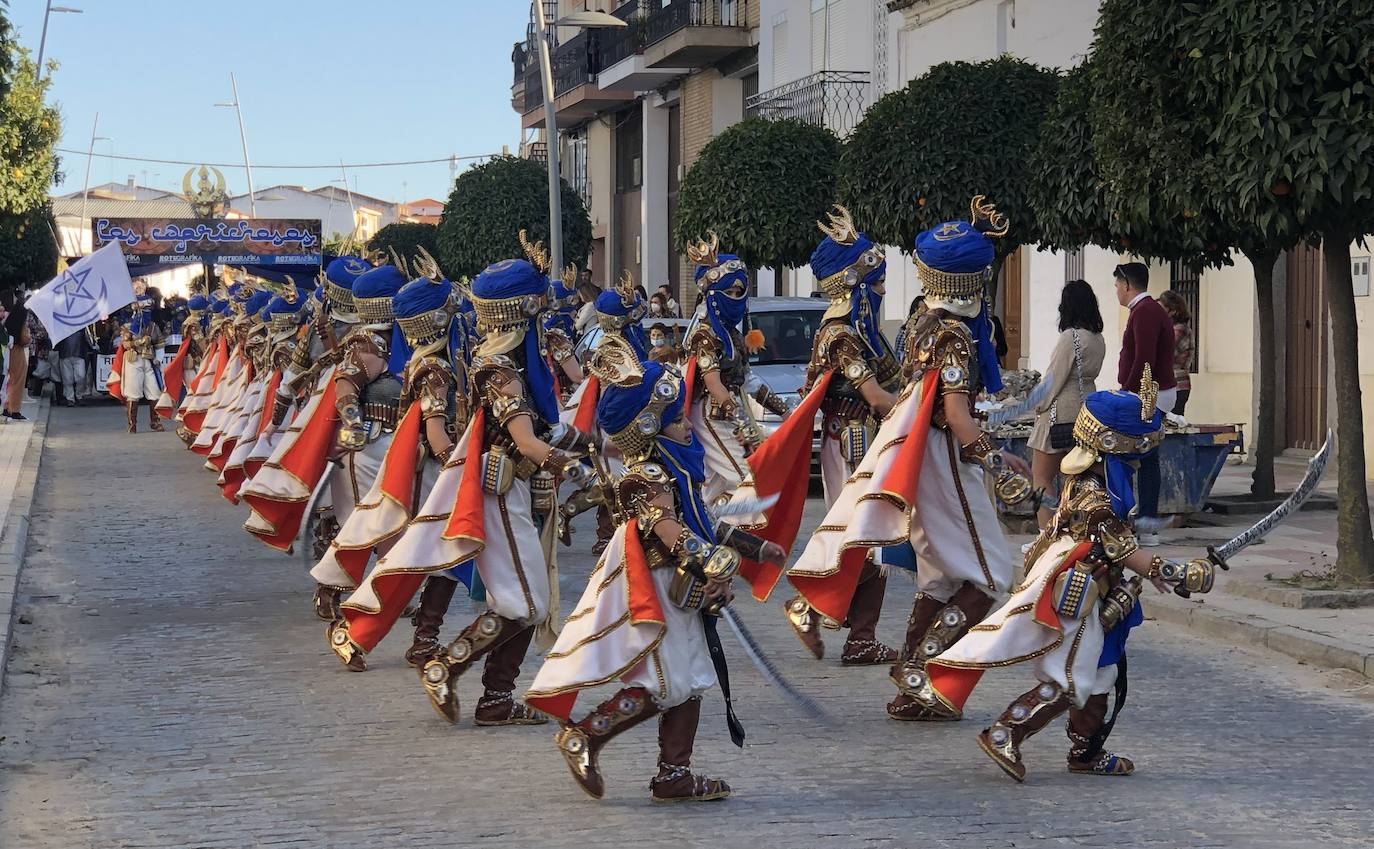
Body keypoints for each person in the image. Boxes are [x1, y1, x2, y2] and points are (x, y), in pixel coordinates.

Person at [782, 197, 1033, 718]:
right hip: (935, 456)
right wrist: (999, 467)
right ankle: (919, 668)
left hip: (913, 454)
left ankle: (910, 691)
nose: (875, 290)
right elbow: (956, 416)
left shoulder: (921, 320)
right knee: (991, 577)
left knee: (938, 577)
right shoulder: (951, 334)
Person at [915, 384, 1219, 781]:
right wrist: (1183, 573)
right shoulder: (1099, 503)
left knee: (1100, 676)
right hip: (1081, 597)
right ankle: (1007, 731)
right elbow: (1128, 553)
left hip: (1102, 592)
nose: (1141, 461)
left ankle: (1087, 751)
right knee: (1069, 679)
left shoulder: (1087, 485)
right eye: (1138, 452)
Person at [341, 257, 592, 726]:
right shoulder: (499, 372)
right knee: (526, 603)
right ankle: (447, 665)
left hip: (504, 487)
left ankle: (495, 697)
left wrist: (591, 441)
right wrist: (588, 476)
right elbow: (527, 442)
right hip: (499, 493)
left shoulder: (493, 364)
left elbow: (538, 431)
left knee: (521, 602)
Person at [526, 358, 787, 802]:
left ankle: (674, 775)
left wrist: (753, 547)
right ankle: (586, 736)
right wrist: (717, 565)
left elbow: (704, 522)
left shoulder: (676, 471)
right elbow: (673, 533)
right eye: (678, 420)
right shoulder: (648, 477)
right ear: (651, 429)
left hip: (680, 590)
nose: (688, 426)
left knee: (692, 677)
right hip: (661, 588)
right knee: (666, 682)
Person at [681, 234, 793, 508]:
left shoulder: (732, 334)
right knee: (748, 477)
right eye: (729, 292)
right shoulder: (704, 336)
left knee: (713, 488)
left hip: (729, 414)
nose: (735, 298)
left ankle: (709, 538)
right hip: (711, 415)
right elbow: (714, 383)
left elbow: (749, 381)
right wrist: (741, 418)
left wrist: (785, 410)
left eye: (738, 292)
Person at [1030, 280, 1105, 529]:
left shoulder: (1069, 338)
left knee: (1041, 478)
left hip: (1059, 412)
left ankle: (1045, 533)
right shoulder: (1097, 339)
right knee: (1079, 479)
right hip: (1087, 412)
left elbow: (1054, 379)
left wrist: (1037, 405)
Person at [1113, 262, 1176, 544]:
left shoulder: (1146, 311)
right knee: (1144, 456)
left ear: (1127, 285)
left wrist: (1127, 392)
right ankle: (1145, 519)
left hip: (1149, 394)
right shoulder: (1145, 310)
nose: (1116, 291)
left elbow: (1145, 357)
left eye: (1116, 285)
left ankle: (1145, 519)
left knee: (1136, 455)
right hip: (1148, 392)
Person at [114, 294, 166, 432]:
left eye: (149, 309)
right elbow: (125, 344)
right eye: (145, 309)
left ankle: (155, 421)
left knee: (154, 391)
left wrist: (158, 359)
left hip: (149, 360)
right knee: (133, 391)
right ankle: (132, 424)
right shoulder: (128, 326)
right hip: (133, 360)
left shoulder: (153, 326)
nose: (148, 312)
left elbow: (160, 343)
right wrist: (139, 342)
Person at [1159, 289, 1193, 415]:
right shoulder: (1170, 329)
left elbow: (1164, 351)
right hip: (1169, 385)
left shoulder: (1179, 329)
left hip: (1177, 384)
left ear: (1172, 311)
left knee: (1172, 424)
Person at [3, 289, 31, 420]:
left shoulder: (8, 319)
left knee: (8, 381)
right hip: (17, 351)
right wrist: (29, 337)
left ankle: (7, 407)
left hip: (7, 350)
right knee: (18, 381)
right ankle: (14, 409)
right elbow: (25, 339)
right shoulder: (20, 320)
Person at [56, 329, 91, 407]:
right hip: (67, 352)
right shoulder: (79, 323)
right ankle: (71, 398)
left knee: (81, 376)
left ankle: (78, 395)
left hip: (78, 353)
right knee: (67, 378)